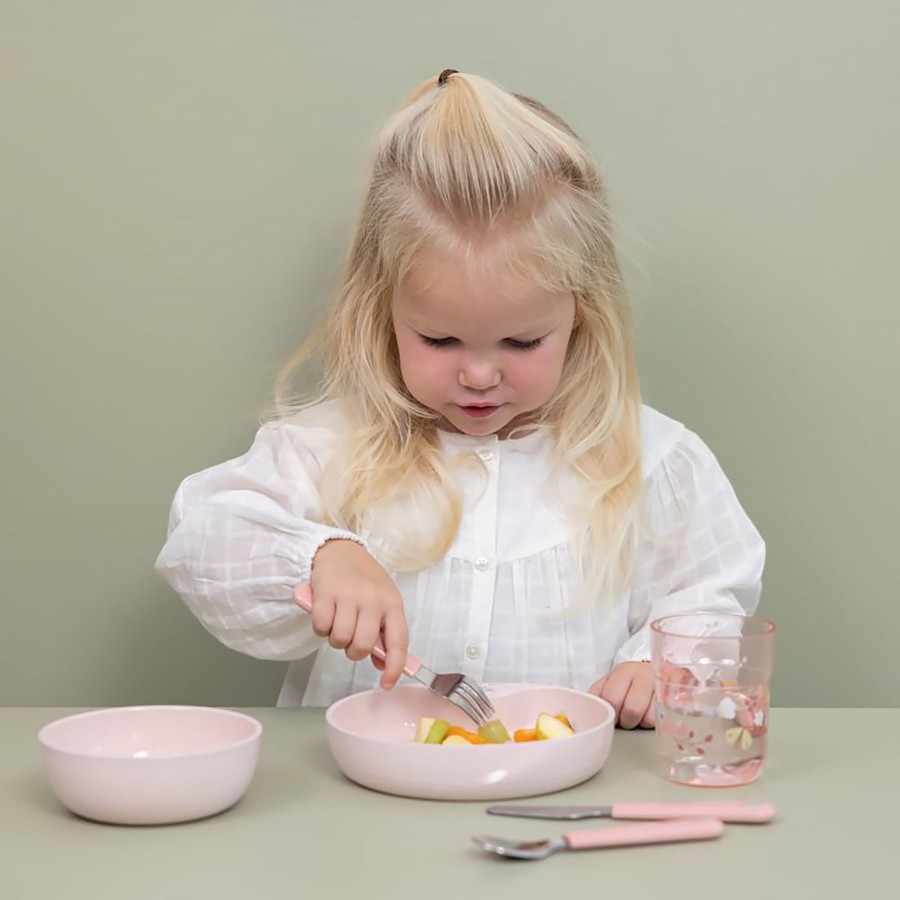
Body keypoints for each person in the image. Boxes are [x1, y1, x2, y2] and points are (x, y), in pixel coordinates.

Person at [155, 69, 764, 730]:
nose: (479, 376)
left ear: (581, 318)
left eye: (522, 341)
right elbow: (203, 537)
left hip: (563, 799)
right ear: (381, 311)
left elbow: (711, 595)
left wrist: (657, 664)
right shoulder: (331, 444)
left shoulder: (650, 460)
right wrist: (323, 555)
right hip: (362, 810)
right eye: (440, 339)